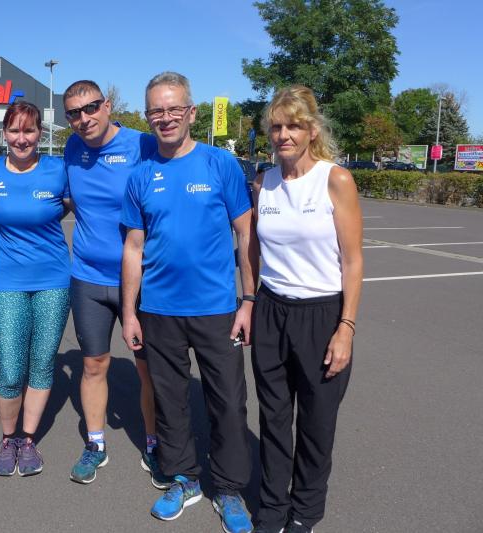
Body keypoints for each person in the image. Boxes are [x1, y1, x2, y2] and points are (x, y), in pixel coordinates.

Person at [120, 72, 256, 533]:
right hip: (159, 310)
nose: (165, 118)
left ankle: (230, 488)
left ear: (192, 113)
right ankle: (184, 479)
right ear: (148, 117)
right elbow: (134, 248)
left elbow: (246, 234)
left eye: (174, 108)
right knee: (170, 400)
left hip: (217, 309)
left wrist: (249, 300)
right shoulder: (141, 176)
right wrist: (129, 312)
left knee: (228, 402)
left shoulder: (220, 164)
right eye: (156, 111)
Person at [250, 85, 362, 533]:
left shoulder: (336, 179)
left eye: (293, 126)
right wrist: (250, 302)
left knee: (316, 426)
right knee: (274, 420)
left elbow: (353, 260)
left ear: (312, 130)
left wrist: (346, 328)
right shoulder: (263, 182)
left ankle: (304, 514)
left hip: (322, 315)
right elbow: (253, 249)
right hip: (272, 311)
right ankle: (273, 509)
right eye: (276, 127)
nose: (283, 135)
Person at [62, 80, 166, 487]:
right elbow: (65, 201)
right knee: (93, 365)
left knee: (148, 368)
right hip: (88, 278)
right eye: (74, 113)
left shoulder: (143, 144)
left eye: (91, 108)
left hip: (139, 280)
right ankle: (95, 443)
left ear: (107, 105)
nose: (84, 118)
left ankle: (154, 443)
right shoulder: (72, 148)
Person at [0, 102, 71, 477]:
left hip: (53, 280)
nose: (22, 138)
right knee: (10, 369)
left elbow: (73, 207)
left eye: (29, 130)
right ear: (4, 133)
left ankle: (28, 439)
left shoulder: (58, 169)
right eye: (15, 130)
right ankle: (8, 438)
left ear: (40, 133)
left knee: (42, 364)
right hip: (5, 281)